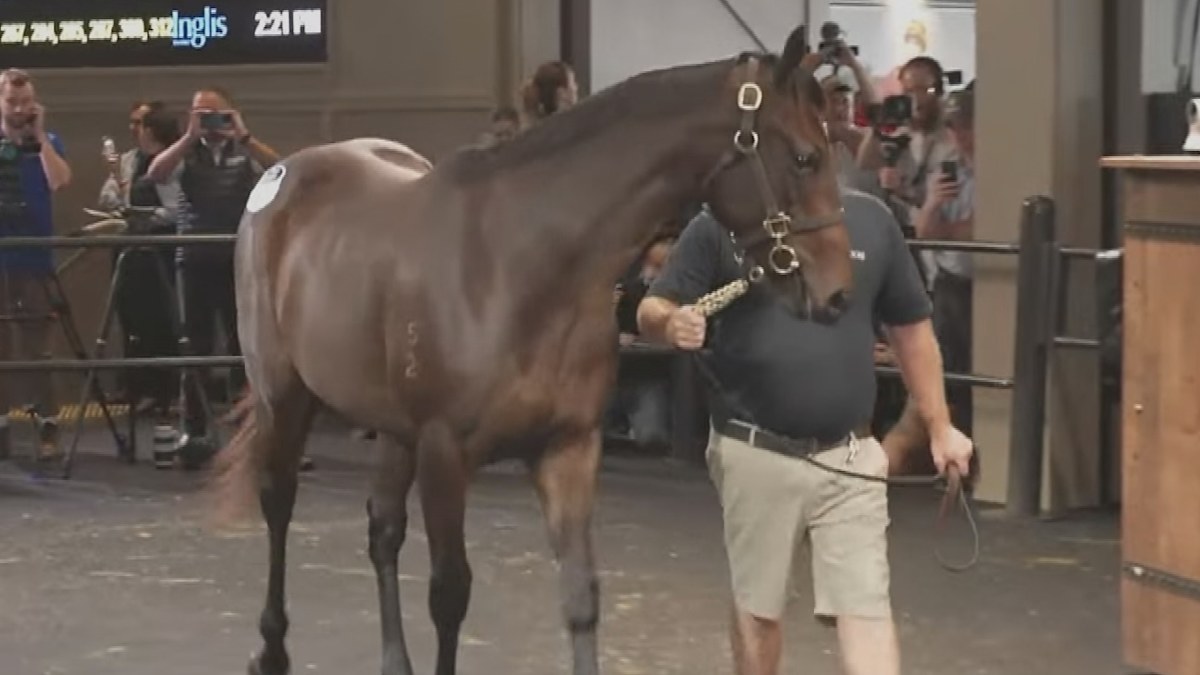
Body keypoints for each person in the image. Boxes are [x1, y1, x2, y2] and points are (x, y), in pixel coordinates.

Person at [636, 189, 974, 675]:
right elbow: (652, 308)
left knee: (867, 607)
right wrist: (671, 323)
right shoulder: (722, 223)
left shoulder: (871, 220)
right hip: (757, 449)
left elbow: (911, 331)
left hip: (852, 454)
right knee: (759, 611)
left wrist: (941, 427)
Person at [146, 85, 280, 469]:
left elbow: (280, 172)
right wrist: (189, 138)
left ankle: (248, 432)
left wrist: (244, 135)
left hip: (238, 261)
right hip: (194, 260)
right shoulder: (186, 154)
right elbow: (156, 173)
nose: (210, 123)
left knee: (244, 348)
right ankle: (195, 430)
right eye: (201, 115)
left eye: (216, 114)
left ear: (231, 113)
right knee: (195, 348)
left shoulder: (244, 153)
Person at [0, 68, 72, 462]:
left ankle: (47, 424)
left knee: (38, 349)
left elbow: (59, 181)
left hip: (34, 258)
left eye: (26, 101)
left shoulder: (48, 142)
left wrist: (39, 136)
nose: (19, 109)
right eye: (12, 102)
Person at [116, 104, 185, 423]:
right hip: (138, 251)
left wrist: (147, 217)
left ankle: (169, 390)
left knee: (164, 320)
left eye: (141, 126)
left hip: (162, 251)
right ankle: (147, 388)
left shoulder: (168, 162)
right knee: (140, 321)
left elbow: (174, 208)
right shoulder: (135, 161)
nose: (136, 132)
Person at [914, 86, 975, 437]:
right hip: (949, 284)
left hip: (983, 288)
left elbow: (982, 227)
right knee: (947, 374)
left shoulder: (998, 171)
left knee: (976, 373)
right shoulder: (949, 173)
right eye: (953, 126)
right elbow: (925, 232)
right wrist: (934, 202)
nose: (959, 134)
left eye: (966, 125)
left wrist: (947, 230)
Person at [856, 56, 958, 235]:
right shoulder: (902, 136)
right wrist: (878, 123)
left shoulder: (955, 138)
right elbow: (865, 163)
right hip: (904, 233)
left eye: (924, 90)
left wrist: (903, 192)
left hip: (941, 235)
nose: (916, 100)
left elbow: (950, 202)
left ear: (940, 91)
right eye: (909, 91)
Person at [608, 236, 675, 452]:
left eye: (660, 267)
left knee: (651, 438)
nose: (653, 272)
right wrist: (611, 314)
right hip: (615, 375)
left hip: (650, 378)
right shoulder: (627, 291)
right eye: (651, 264)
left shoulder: (682, 296)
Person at [519, 60, 579, 127]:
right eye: (573, 82)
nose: (576, 87)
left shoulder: (536, 127)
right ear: (561, 93)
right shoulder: (571, 128)